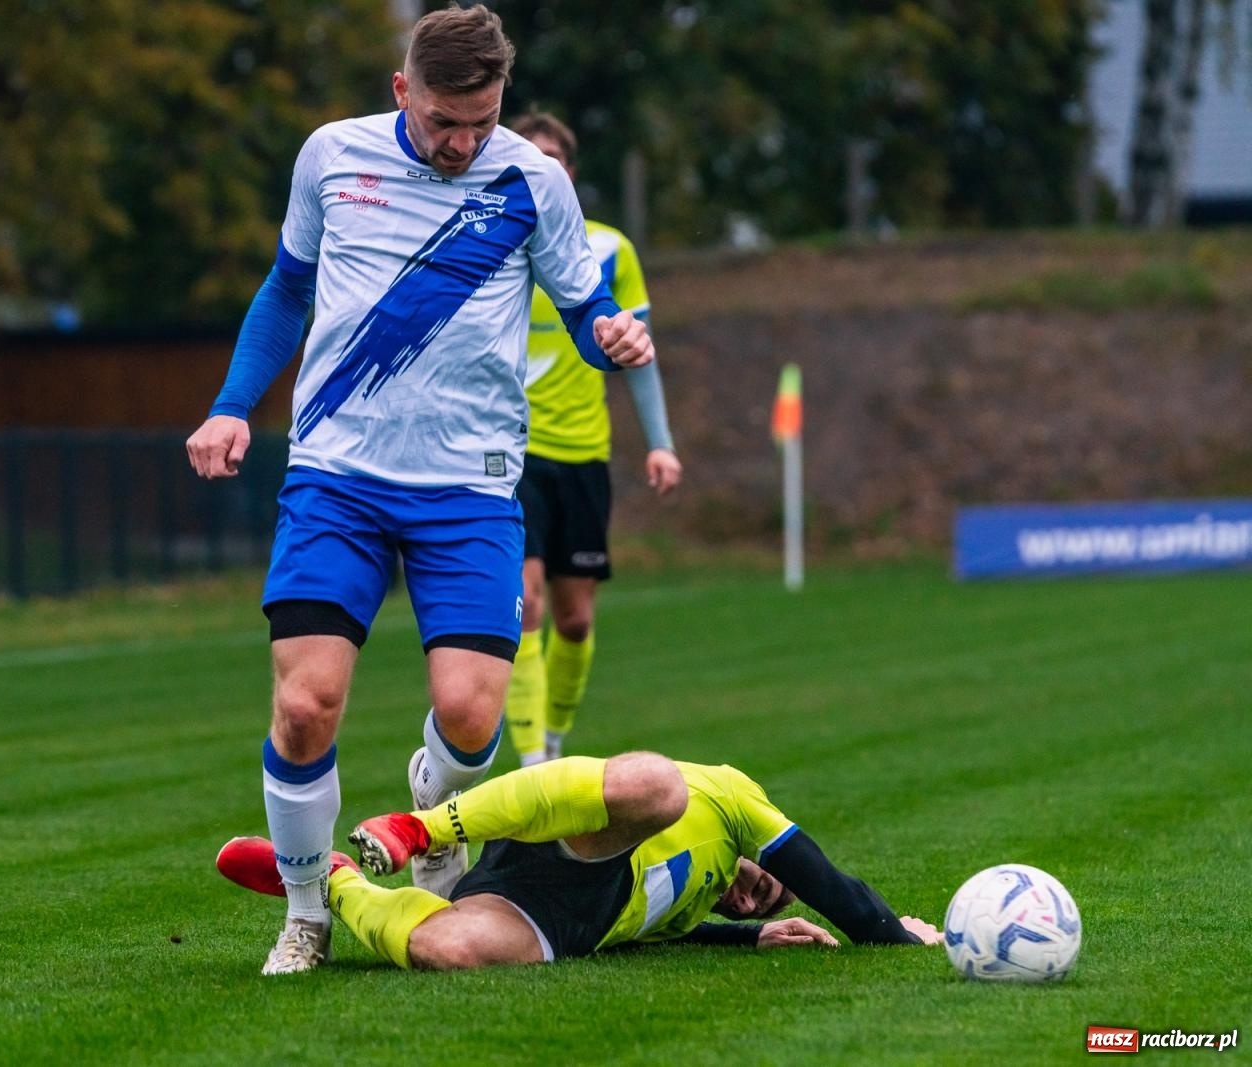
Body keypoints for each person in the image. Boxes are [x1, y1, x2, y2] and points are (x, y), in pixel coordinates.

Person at [185, 4, 654, 975]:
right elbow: (286, 289)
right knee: (305, 704)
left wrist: (609, 334)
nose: (463, 143)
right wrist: (232, 406)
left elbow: (585, 307)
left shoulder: (533, 180)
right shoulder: (331, 156)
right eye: (444, 122)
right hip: (337, 475)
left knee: (474, 716)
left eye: (483, 122)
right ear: (403, 90)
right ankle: (307, 912)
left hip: (470, 485)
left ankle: (431, 810)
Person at [217, 751, 943, 970]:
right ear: (764, 856)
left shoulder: (701, 910)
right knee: (656, 786)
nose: (754, 896)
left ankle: (326, 879)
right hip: (580, 834)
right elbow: (824, 879)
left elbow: (665, 935)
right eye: (769, 884)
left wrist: (750, 933)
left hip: (565, 916)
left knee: (453, 950)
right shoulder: (732, 797)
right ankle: (426, 825)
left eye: (761, 904)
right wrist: (895, 935)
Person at [504, 112, 683, 767]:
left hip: (584, 454)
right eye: (528, 158)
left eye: (551, 159)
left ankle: (553, 734)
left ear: (569, 173)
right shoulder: (492, 244)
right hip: (512, 453)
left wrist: (660, 441)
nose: (541, 169)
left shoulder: (608, 250)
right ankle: (533, 763)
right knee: (524, 605)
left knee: (574, 620)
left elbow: (639, 353)